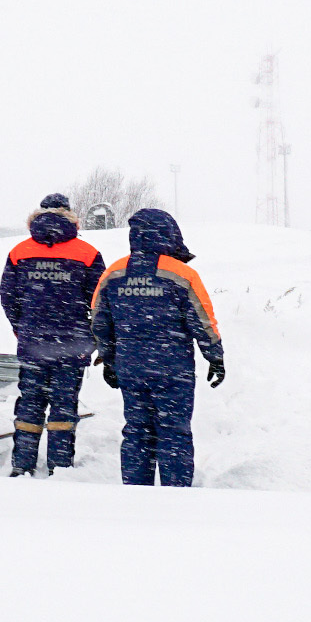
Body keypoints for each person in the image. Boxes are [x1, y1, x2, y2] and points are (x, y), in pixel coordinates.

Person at [91, 208, 225, 487]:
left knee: (137, 431)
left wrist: (108, 357)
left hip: (131, 367)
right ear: (170, 235)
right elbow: (202, 319)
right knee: (174, 433)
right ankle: (175, 496)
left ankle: (136, 491)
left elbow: (99, 319)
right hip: (172, 368)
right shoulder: (182, 274)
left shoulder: (114, 272)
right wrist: (215, 356)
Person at [0, 193, 106, 477]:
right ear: (70, 215)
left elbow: (8, 296)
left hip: (33, 342)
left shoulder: (20, 251)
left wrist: (21, 328)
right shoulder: (88, 253)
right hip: (72, 344)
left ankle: (22, 464)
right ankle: (60, 466)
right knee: (64, 405)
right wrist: (90, 335)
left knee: (30, 404)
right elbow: (100, 301)